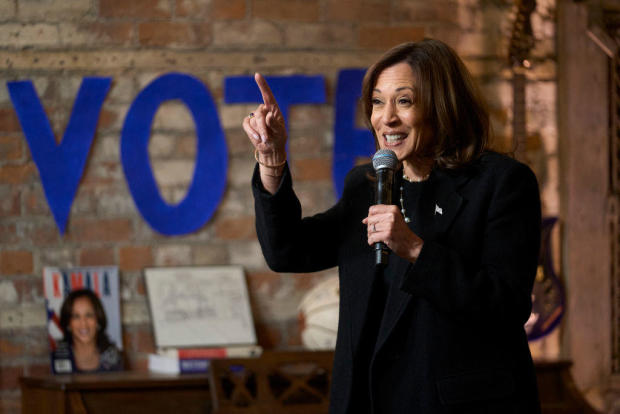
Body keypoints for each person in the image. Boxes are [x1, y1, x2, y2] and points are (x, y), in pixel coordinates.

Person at [243, 38, 541, 413]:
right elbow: (286, 251)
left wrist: (416, 250)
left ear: (443, 105)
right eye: (378, 102)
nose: (387, 118)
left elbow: (506, 304)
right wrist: (272, 161)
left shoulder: (500, 183)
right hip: (366, 402)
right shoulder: (366, 184)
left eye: (404, 101)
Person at [56, 289, 123, 373]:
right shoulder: (58, 357)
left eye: (89, 315)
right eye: (76, 316)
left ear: (98, 320)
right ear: (68, 323)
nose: (83, 323)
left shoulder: (112, 357)